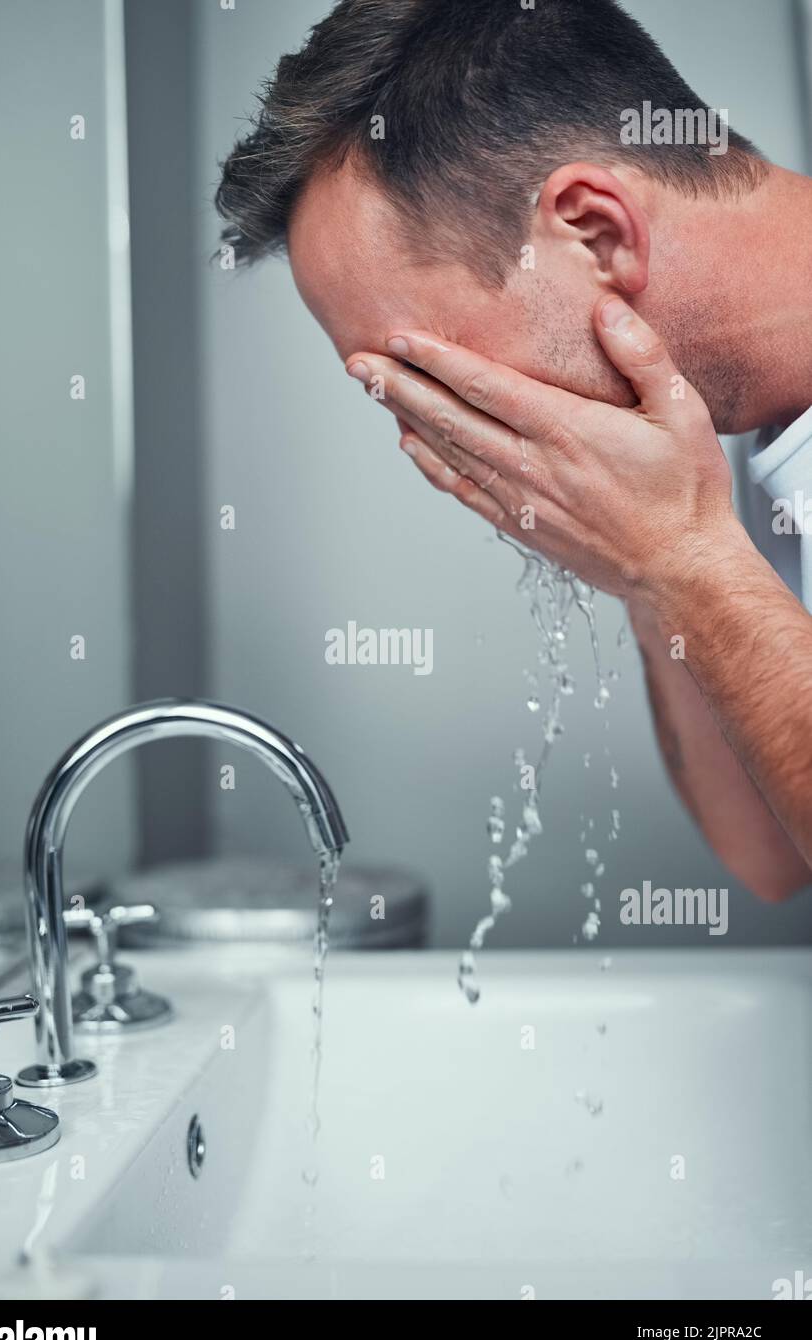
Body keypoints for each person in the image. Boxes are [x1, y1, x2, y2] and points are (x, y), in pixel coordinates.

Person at [215, 0, 812, 898]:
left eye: (431, 374)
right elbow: (770, 857)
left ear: (594, 232)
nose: (432, 430)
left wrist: (684, 562)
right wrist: (656, 565)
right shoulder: (720, 444)